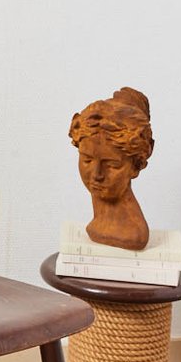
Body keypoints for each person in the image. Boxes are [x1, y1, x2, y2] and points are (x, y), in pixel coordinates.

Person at [69, 87, 154, 250]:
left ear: (137, 166)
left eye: (112, 165)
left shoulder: (132, 232)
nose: (97, 174)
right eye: (87, 160)